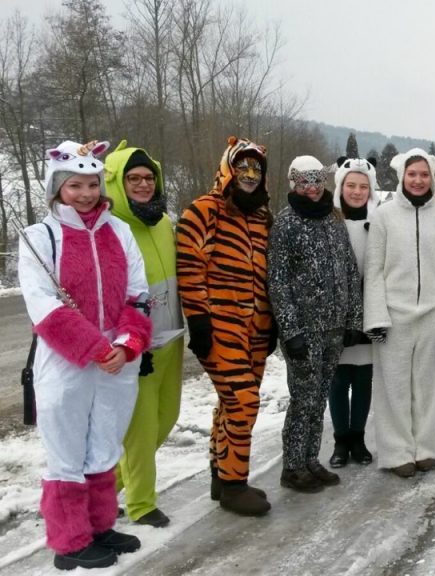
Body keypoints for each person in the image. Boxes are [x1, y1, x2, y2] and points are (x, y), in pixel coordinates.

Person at [20, 140, 151, 570]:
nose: (86, 193)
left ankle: (99, 526)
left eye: (92, 184)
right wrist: (94, 347)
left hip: (116, 357)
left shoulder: (120, 231)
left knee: (104, 444)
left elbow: (139, 293)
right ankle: (69, 539)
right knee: (66, 449)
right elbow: (44, 306)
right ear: (58, 188)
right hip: (67, 360)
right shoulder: (42, 238)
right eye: (74, 185)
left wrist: (127, 343)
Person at [177, 136, 276, 516]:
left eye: (256, 169)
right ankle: (235, 485)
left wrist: (272, 324)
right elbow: (189, 267)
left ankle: (220, 473)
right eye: (243, 167)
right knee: (244, 402)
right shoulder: (204, 211)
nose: (250, 175)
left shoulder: (262, 217)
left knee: (229, 401)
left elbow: (269, 276)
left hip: (256, 327)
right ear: (228, 170)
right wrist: (199, 320)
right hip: (220, 324)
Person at [363, 148, 435, 477]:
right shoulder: (384, 215)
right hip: (394, 313)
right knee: (393, 386)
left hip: (434, 313)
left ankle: (425, 447)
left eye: (424, 174)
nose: (418, 180)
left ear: (431, 177)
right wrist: (376, 317)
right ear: (401, 176)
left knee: (429, 384)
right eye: (412, 174)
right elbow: (374, 270)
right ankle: (396, 452)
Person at [268, 156, 363, 493]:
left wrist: (353, 319)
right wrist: (290, 330)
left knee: (320, 397)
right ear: (294, 183)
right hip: (304, 333)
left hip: (334, 329)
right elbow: (277, 282)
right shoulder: (286, 223)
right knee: (303, 399)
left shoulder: (333, 220)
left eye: (317, 181)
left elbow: (349, 271)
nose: (311, 188)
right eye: (304, 182)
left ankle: (310, 459)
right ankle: (292, 466)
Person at [105, 141, 184, 529]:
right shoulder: (111, 230)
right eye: (132, 178)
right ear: (116, 183)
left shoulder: (163, 222)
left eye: (148, 177)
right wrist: (130, 341)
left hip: (171, 339)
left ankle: (102, 490)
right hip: (138, 348)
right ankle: (140, 504)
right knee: (140, 432)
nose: (142, 185)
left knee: (167, 419)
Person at [328, 157, 381, 468]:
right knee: (338, 380)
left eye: (363, 186)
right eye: (351, 185)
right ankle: (340, 440)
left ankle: (358, 438)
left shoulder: (378, 224)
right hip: (337, 313)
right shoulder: (330, 223)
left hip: (369, 309)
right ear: (341, 187)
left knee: (363, 379)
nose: (357, 192)